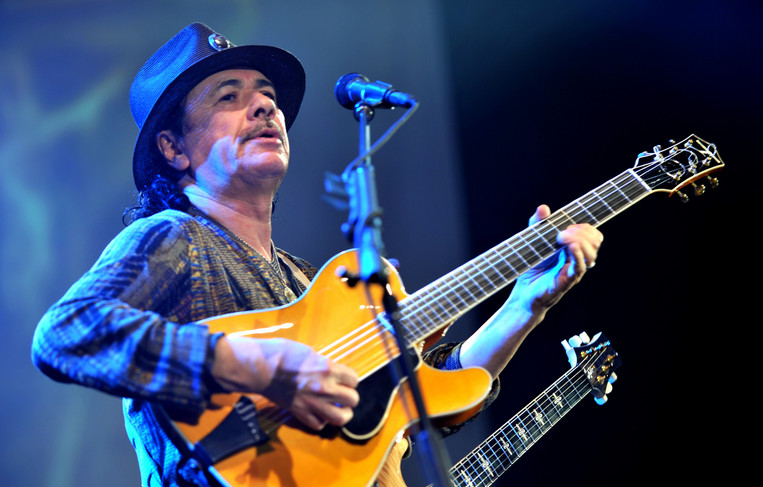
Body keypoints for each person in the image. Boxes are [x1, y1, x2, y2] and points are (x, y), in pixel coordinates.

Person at [31, 22, 603, 487]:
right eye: (230, 97)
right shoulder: (173, 238)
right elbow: (66, 331)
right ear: (173, 147)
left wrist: (524, 305)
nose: (264, 107)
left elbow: (423, 398)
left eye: (267, 95)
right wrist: (258, 365)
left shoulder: (309, 281)